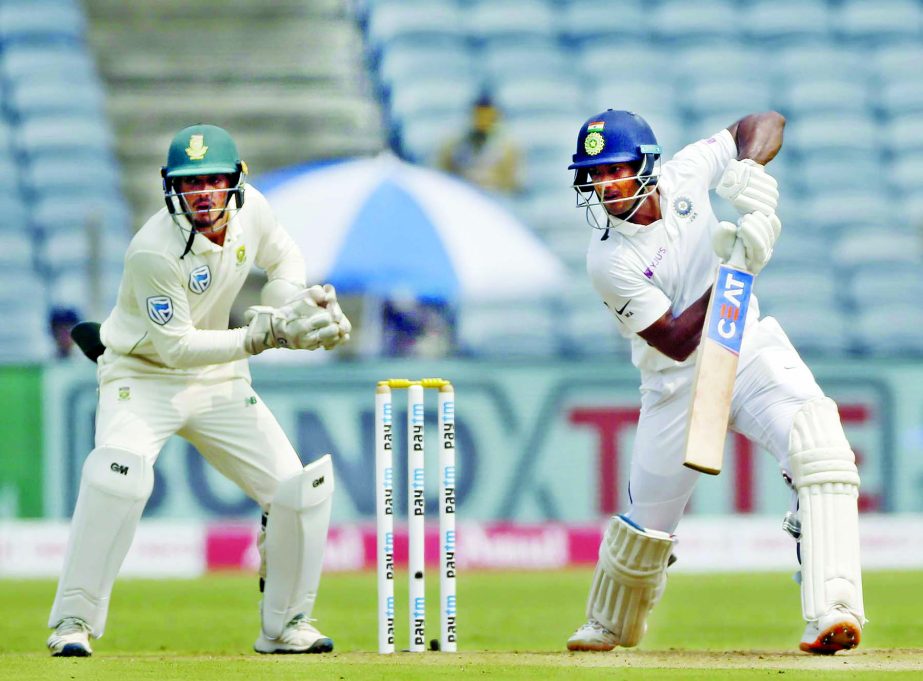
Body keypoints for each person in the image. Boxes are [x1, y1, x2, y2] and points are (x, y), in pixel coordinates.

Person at [563, 110, 865, 655]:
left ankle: (833, 608)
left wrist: (747, 166)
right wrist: (739, 266)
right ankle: (612, 622)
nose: (605, 185)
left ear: (647, 167)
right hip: (675, 385)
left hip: (747, 349)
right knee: (645, 533)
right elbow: (675, 339)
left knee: (821, 448)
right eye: (595, 175)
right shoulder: (607, 258)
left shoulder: (684, 173)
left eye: (615, 170)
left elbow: (764, 120)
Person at [46, 123, 352, 657]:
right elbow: (177, 350)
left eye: (214, 181)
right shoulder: (152, 250)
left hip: (219, 379)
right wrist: (267, 334)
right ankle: (72, 621)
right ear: (171, 188)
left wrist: (289, 307)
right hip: (142, 375)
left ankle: (284, 627)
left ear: (236, 181)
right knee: (119, 477)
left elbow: (284, 259)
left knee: (296, 491)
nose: (204, 194)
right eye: (191, 184)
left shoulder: (252, 209)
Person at [436, 93, 522, 194]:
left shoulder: (508, 148)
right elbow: (441, 176)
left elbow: (513, 184)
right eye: (479, 115)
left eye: (488, 116)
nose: (483, 121)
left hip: (494, 199)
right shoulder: (454, 145)